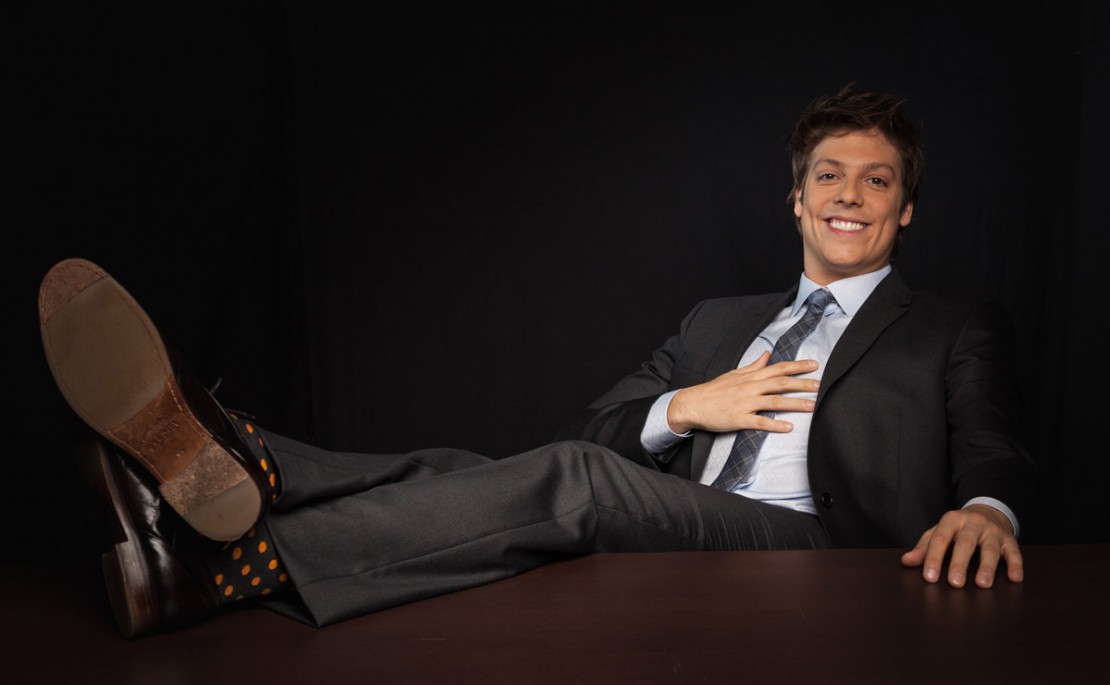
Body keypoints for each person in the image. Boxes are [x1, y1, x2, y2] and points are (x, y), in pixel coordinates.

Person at [38, 84, 1035, 639]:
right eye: (829, 175)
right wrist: (686, 406)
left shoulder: (950, 326)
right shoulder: (718, 322)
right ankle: (253, 462)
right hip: (684, 524)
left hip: (824, 552)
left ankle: (225, 562)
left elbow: (991, 440)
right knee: (468, 473)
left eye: (877, 180)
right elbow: (586, 433)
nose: (849, 194)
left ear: (906, 208)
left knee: (573, 481)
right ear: (797, 199)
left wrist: (988, 511)